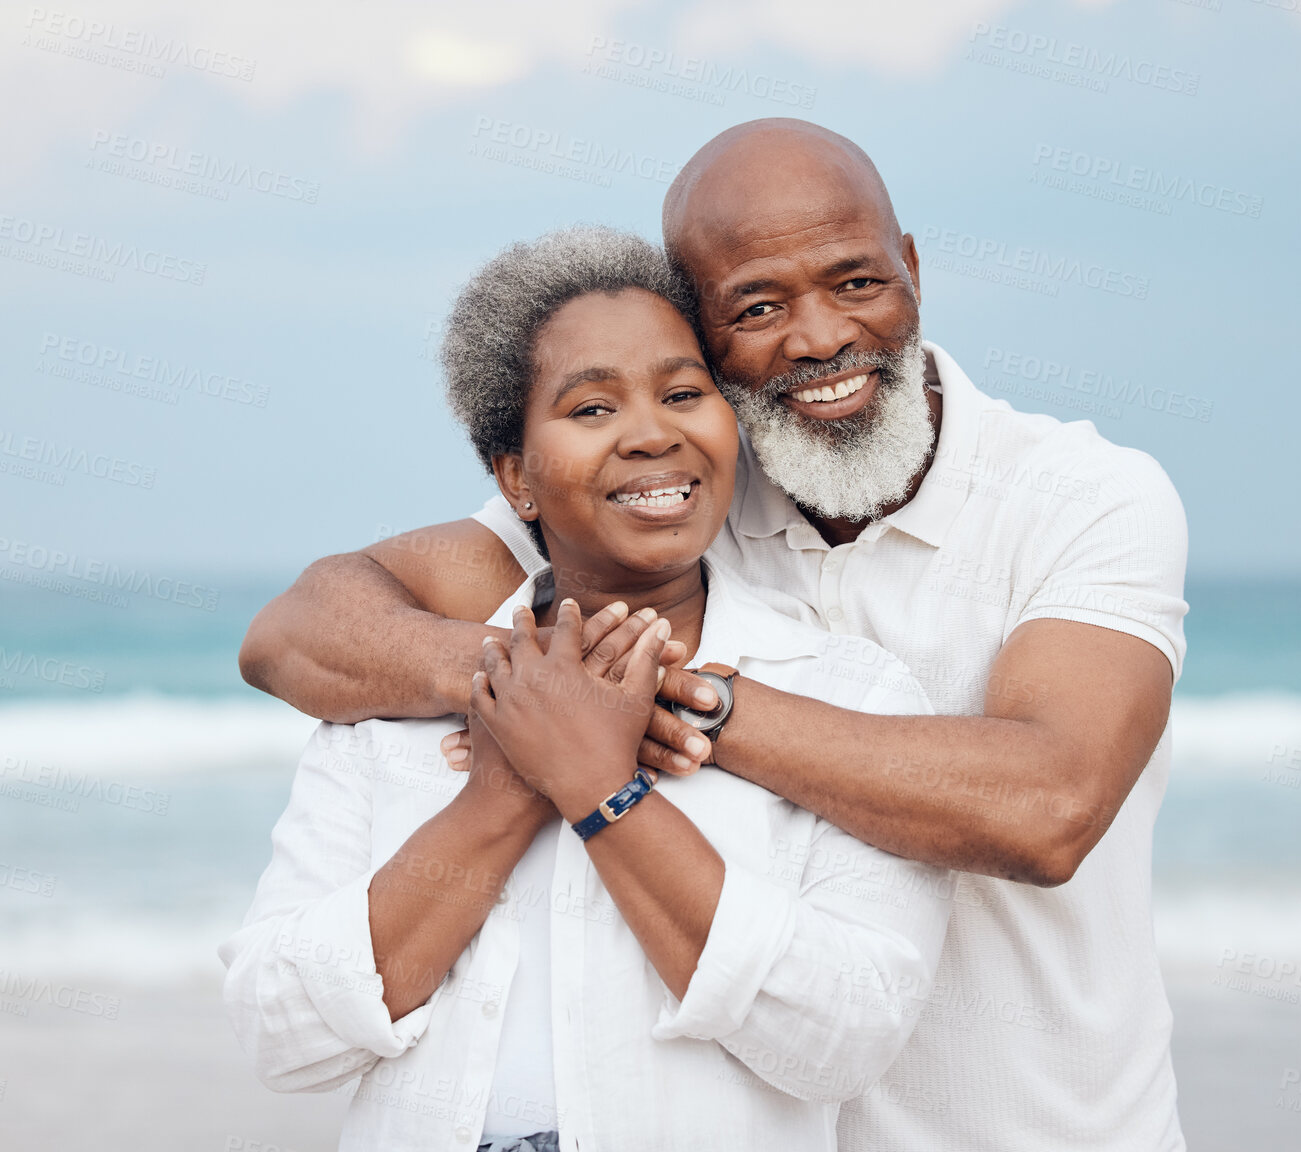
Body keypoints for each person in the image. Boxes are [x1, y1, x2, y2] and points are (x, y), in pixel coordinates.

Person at [239, 121, 1190, 1151]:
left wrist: (667, 703)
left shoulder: (1077, 496)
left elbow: (1046, 808)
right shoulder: (678, 491)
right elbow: (299, 632)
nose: (820, 337)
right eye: (757, 306)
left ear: (910, 267)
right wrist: (528, 691)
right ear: (700, 328)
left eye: (856, 282)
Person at [221, 228, 952, 1152]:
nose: (653, 433)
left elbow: (845, 1041)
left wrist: (605, 795)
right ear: (516, 479)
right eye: (593, 407)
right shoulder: (394, 706)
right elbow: (281, 1032)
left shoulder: (850, 694)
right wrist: (498, 793)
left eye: (685, 395)